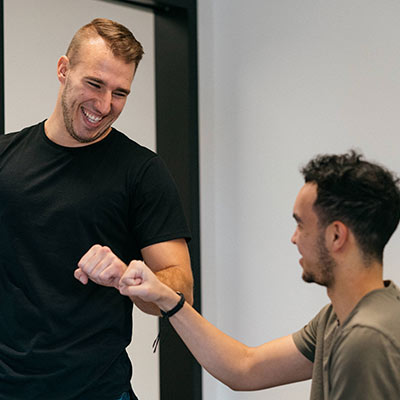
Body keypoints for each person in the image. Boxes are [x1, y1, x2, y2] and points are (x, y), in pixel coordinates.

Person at [0, 18, 193, 400]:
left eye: (120, 93)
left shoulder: (141, 172)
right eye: (95, 84)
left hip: (99, 390)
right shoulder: (5, 160)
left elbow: (181, 287)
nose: (104, 106)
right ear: (63, 70)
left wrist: (129, 277)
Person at [118, 151, 400, 399]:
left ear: (336, 235)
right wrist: (167, 298)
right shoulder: (337, 320)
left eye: (301, 226)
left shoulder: (367, 339)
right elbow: (245, 367)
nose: (294, 239)